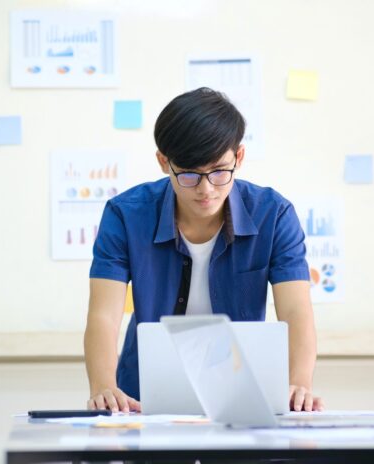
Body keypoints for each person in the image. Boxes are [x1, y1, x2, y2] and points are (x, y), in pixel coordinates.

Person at [84, 87, 322, 413]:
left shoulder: (274, 215)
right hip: (141, 394)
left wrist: (299, 383)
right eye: (190, 175)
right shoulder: (125, 215)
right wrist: (103, 387)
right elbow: (104, 315)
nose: (206, 189)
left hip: (241, 391)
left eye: (219, 171)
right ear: (164, 162)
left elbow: (296, 311)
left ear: (238, 157)